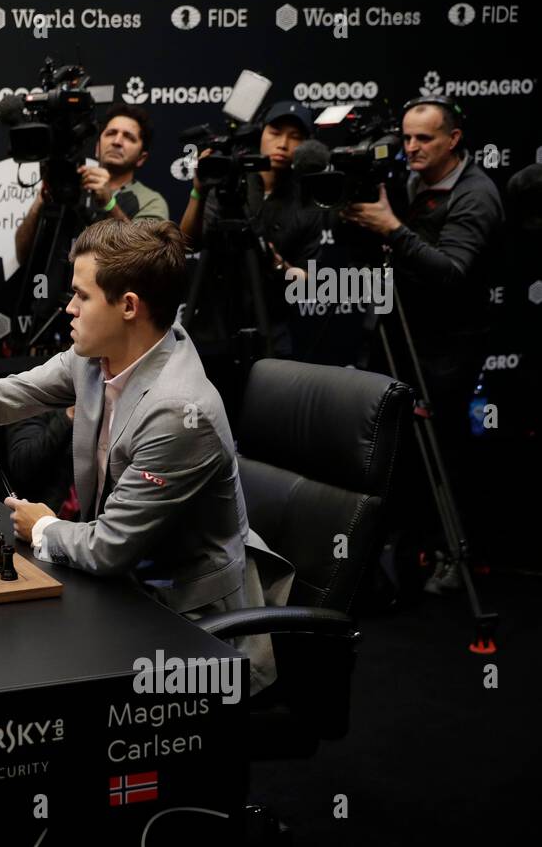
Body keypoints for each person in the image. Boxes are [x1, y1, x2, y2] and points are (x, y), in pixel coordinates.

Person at [0, 219, 290, 693]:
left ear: (128, 307)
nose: (68, 309)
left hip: (188, 626)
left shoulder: (178, 412)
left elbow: (107, 548)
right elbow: (4, 395)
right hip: (122, 591)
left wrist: (41, 526)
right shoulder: (95, 358)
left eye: (82, 296)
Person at [342, 95, 504, 593]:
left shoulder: (476, 194)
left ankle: (454, 554)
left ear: (453, 140)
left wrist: (393, 228)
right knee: (395, 455)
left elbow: (452, 271)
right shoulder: (408, 181)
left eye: (424, 139)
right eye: (407, 137)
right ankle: (395, 555)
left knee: (445, 454)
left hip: (447, 350)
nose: (410, 148)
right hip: (401, 335)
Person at [179, 101, 330, 359]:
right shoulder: (228, 182)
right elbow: (187, 243)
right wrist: (198, 192)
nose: (283, 143)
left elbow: (310, 282)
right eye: (275, 133)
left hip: (271, 328)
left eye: (295, 137)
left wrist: (278, 264)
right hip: (213, 324)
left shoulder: (309, 202)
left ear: (306, 146)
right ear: (260, 134)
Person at [15, 103, 169, 265]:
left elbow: (145, 262)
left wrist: (110, 204)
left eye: (129, 137)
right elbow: (22, 254)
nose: (117, 141)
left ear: (141, 158)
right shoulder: (69, 188)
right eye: (110, 133)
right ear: (97, 148)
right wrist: (41, 199)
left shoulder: (151, 201)